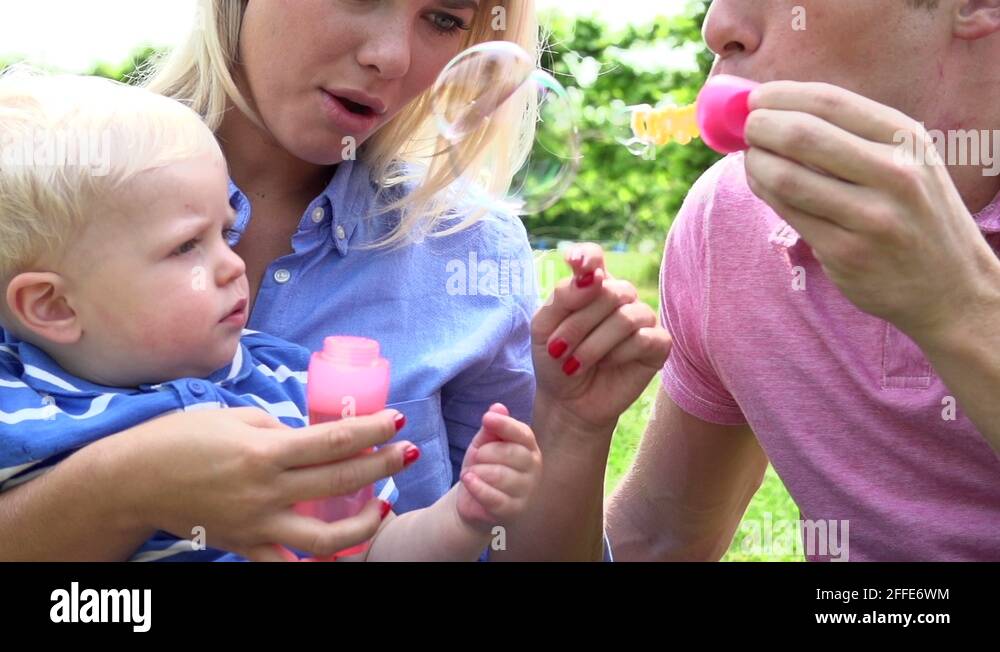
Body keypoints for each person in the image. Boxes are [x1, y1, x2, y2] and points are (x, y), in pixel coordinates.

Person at [606, 0, 1000, 561]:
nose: (717, 27)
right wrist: (570, 431)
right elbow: (660, 538)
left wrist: (958, 302)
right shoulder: (734, 213)